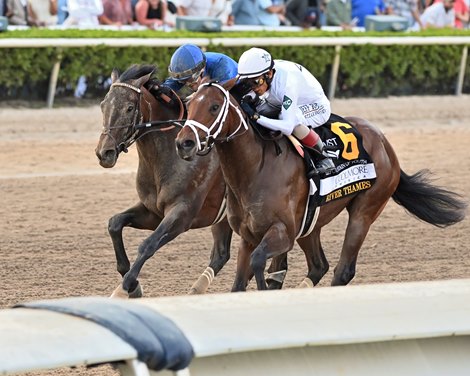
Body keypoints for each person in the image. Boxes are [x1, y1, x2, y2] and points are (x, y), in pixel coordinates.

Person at [237, 47, 336, 174]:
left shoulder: (288, 83)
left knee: (288, 120)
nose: (253, 87)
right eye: (248, 83)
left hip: (316, 106)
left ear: (269, 74)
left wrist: (257, 117)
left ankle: (324, 158)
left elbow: (287, 126)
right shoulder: (260, 72)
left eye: (256, 82)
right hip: (278, 101)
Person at [164, 43, 238, 98]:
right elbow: (166, 88)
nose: (187, 84)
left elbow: (216, 96)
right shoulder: (190, 69)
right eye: (183, 81)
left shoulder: (222, 66)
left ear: (201, 70)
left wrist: (192, 97)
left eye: (190, 79)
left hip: (238, 91)